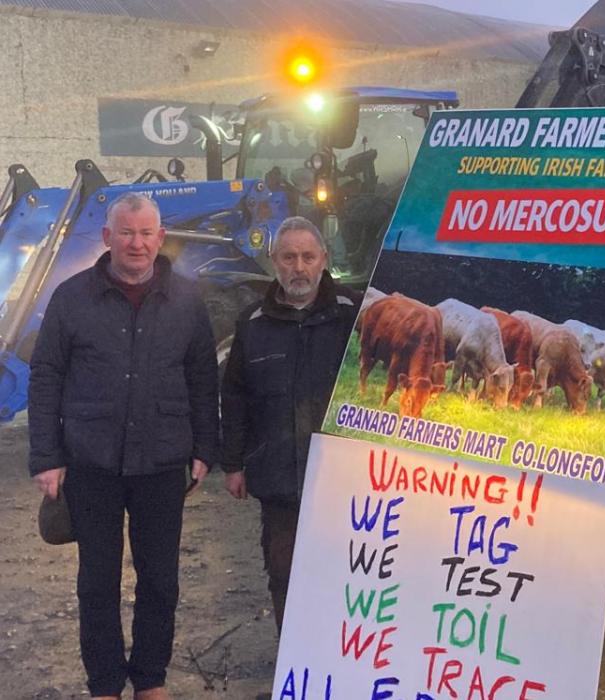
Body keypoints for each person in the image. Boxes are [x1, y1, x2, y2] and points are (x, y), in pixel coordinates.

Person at [28, 192, 219, 700]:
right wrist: (47, 457)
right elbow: (45, 376)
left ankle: (150, 679)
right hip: (91, 462)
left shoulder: (185, 301)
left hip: (161, 462)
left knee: (160, 580)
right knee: (97, 583)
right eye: (127, 233)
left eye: (146, 233)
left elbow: (203, 378)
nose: (137, 243)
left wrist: (205, 447)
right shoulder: (71, 299)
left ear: (160, 238)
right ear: (109, 238)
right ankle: (106, 684)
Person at [220, 216, 361, 636]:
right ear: (273, 262)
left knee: (344, 577)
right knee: (283, 574)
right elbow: (236, 395)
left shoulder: (353, 316)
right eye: (288, 257)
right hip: (278, 476)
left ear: (324, 260)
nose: (298, 267)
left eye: (307, 257)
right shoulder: (253, 322)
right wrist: (233, 463)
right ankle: (294, 678)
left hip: (343, 479)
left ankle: (338, 676)